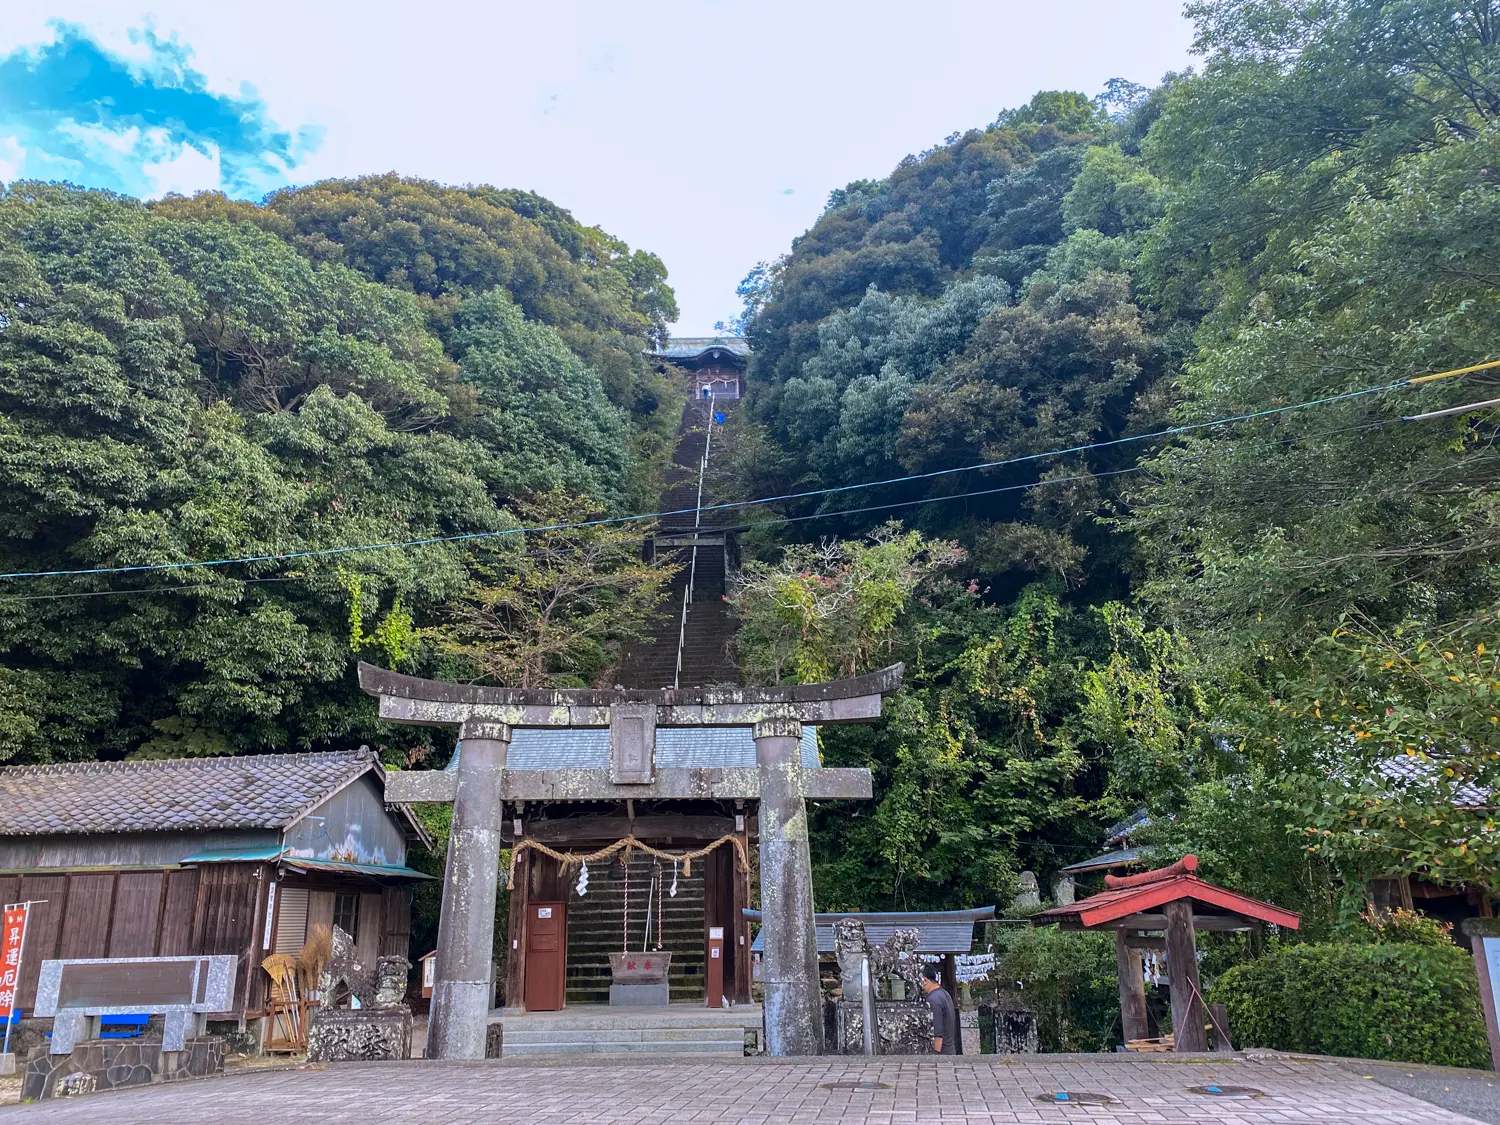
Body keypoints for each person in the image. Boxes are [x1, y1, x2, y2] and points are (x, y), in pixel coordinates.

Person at [920, 961, 956, 1055]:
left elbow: (937, 1033)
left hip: (942, 1053)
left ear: (925, 980)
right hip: (949, 1049)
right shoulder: (944, 994)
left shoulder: (933, 1000)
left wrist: (935, 1057)